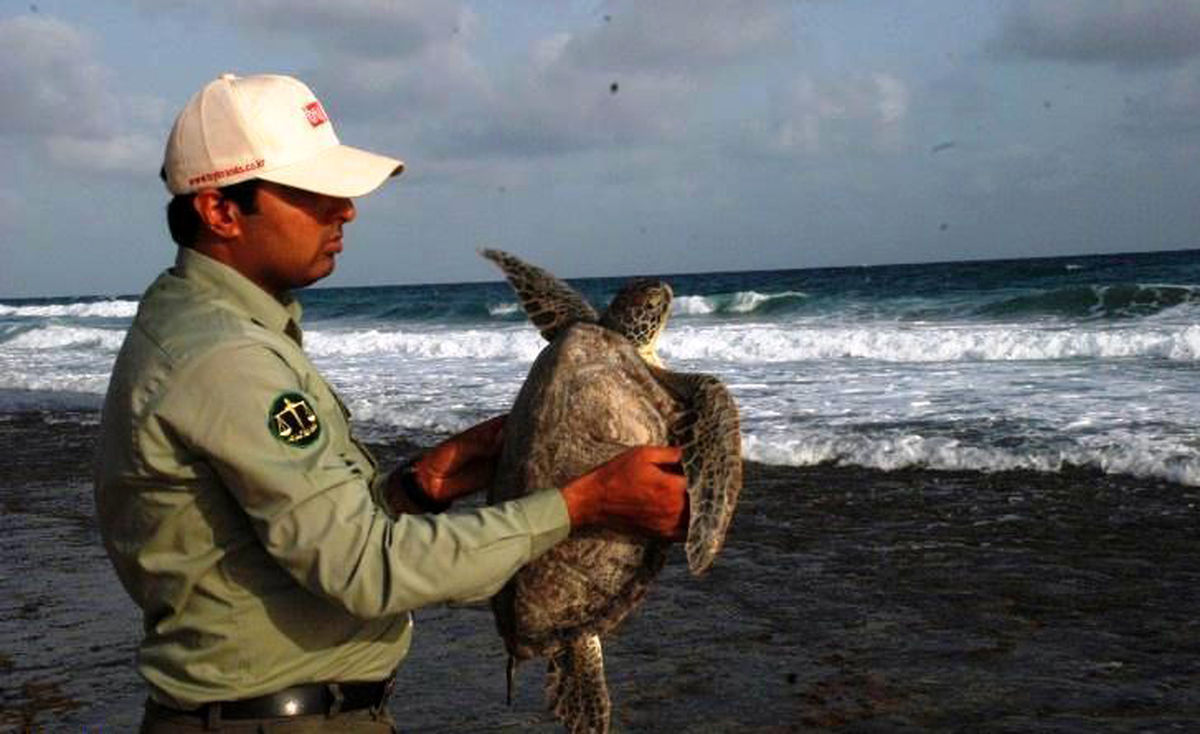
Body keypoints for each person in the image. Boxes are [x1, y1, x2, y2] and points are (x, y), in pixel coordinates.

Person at [93, 73, 688, 733]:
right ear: (220, 211)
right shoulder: (225, 359)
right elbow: (365, 569)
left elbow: (298, 537)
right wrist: (580, 506)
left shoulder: (210, 329)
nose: (345, 210)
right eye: (314, 193)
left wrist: (413, 489)